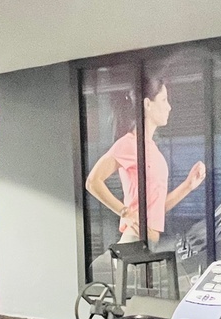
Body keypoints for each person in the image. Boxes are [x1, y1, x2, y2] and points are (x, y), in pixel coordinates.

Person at [85, 78, 205, 245]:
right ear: (148, 104)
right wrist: (125, 212)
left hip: (149, 244)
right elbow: (92, 182)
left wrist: (188, 185)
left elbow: (156, 209)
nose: (169, 107)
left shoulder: (153, 150)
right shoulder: (129, 143)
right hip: (134, 241)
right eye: (164, 100)